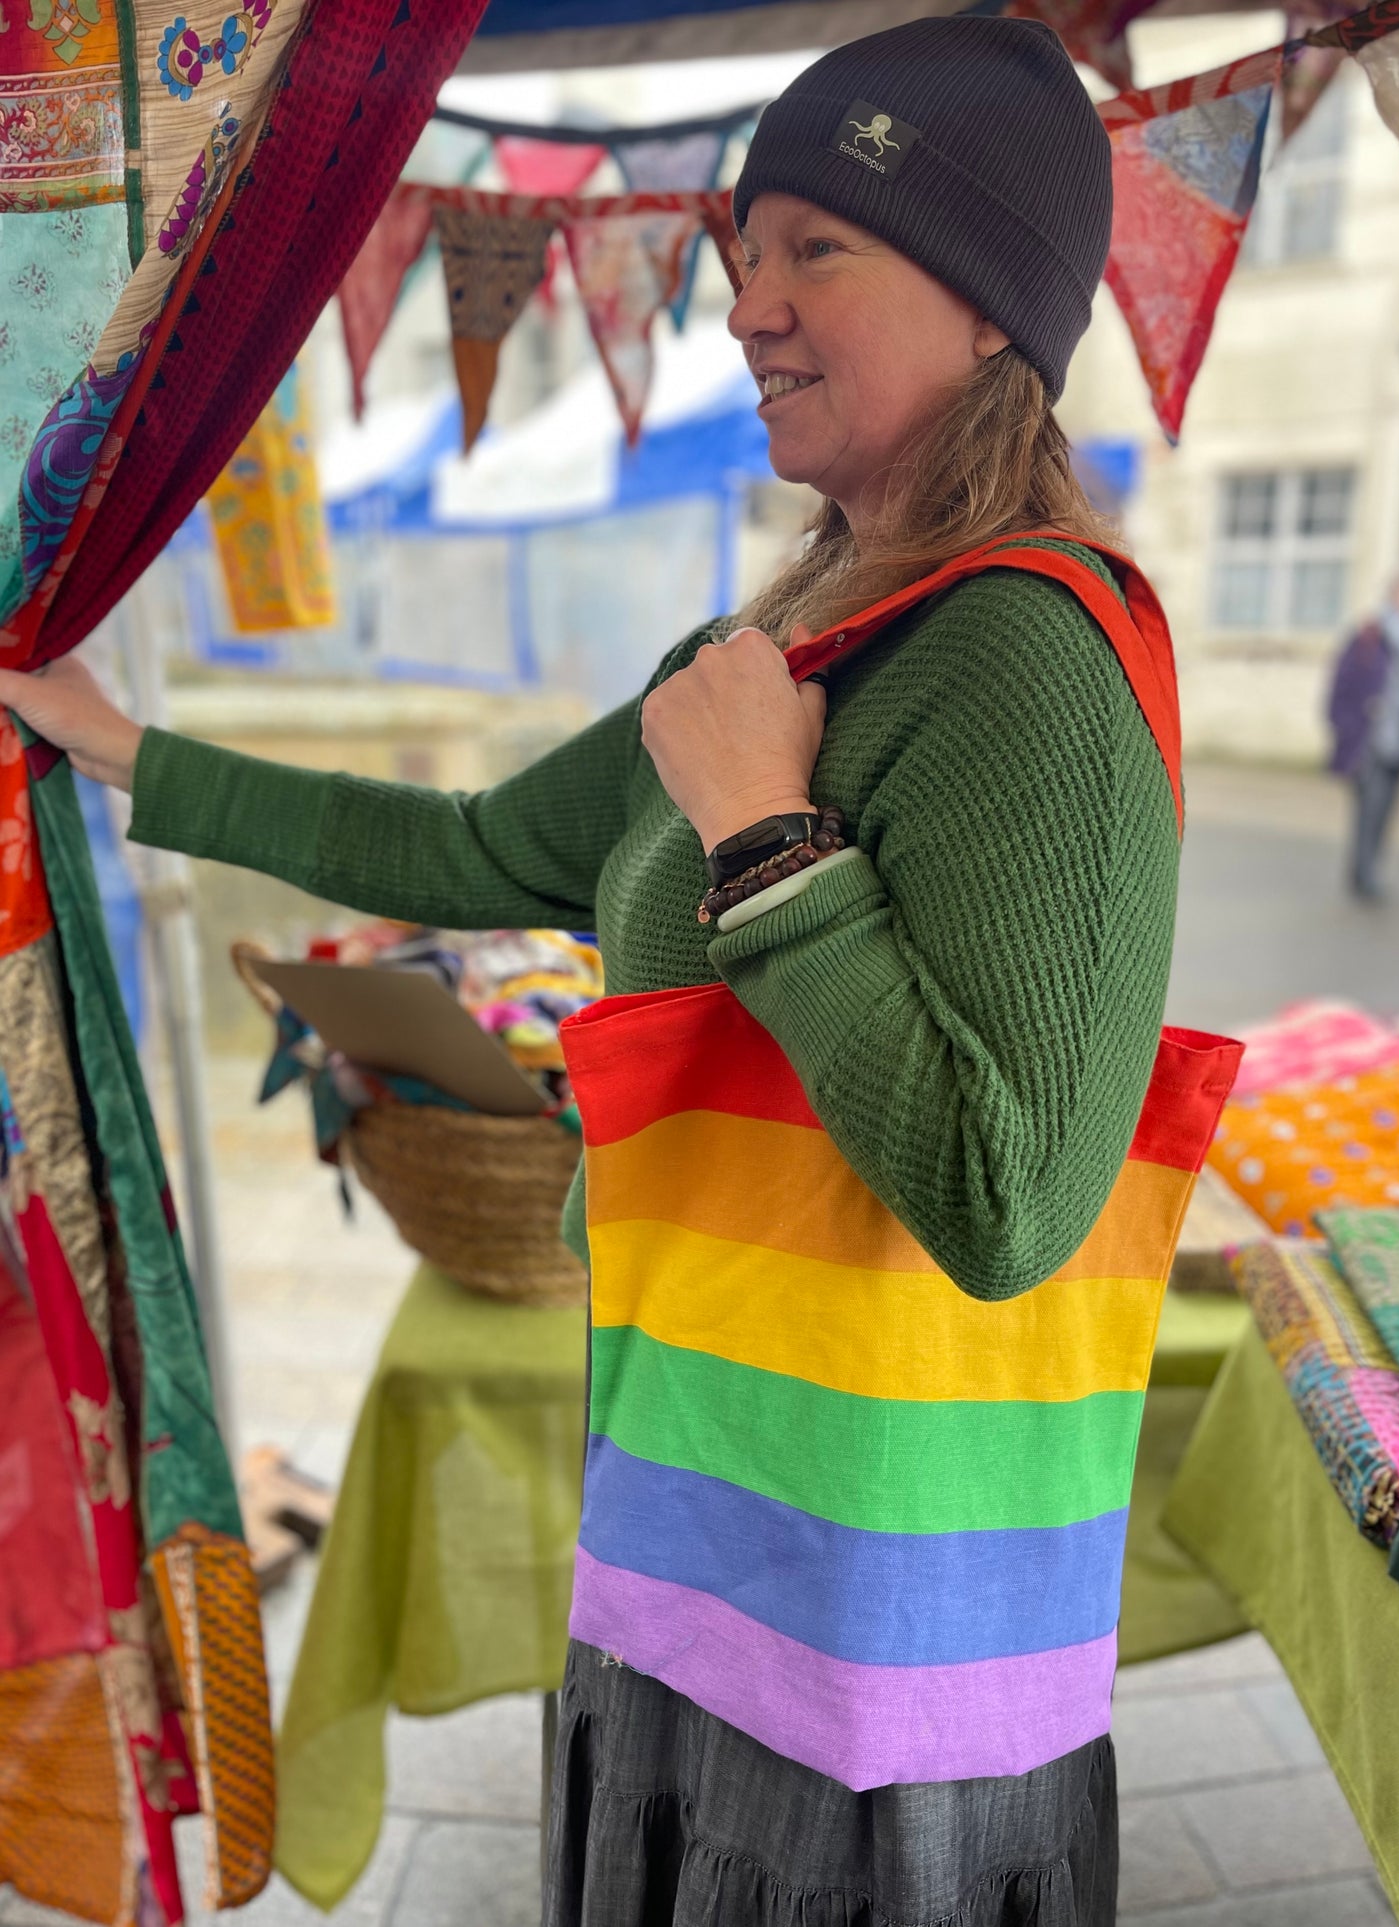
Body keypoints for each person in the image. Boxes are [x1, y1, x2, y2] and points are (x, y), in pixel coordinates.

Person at [0, 19, 1204, 1924]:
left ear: (993, 310)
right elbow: (476, 850)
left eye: (820, 247)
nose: (748, 306)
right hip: (701, 1540)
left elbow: (1008, 1204)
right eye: (743, 252)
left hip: (882, 1664)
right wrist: (124, 745)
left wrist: (765, 839)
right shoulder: (781, 637)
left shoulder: (1030, 660)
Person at [1327, 563, 1399, 900]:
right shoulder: (1371, 634)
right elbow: (1341, 686)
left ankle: (1372, 869)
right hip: (1371, 741)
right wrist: (1346, 730)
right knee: (1369, 809)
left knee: (1388, 810)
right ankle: (1362, 876)